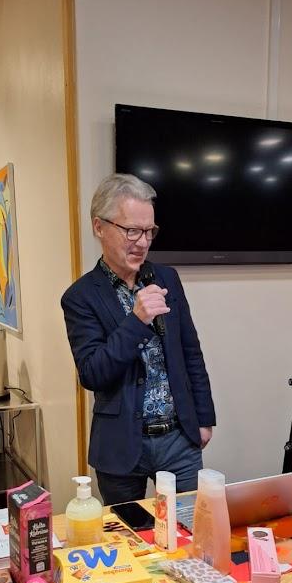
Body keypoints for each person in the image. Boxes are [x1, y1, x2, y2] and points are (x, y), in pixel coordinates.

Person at [61, 173, 216, 505]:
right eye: (132, 230)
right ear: (99, 226)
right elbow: (92, 373)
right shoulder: (80, 297)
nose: (143, 242)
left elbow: (191, 352)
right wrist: (137, 320)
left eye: (149, 231)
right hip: (120, 445)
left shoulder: (166, 278)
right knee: (127, 532)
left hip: (179, 438)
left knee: (189, 524)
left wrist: (204, 419)